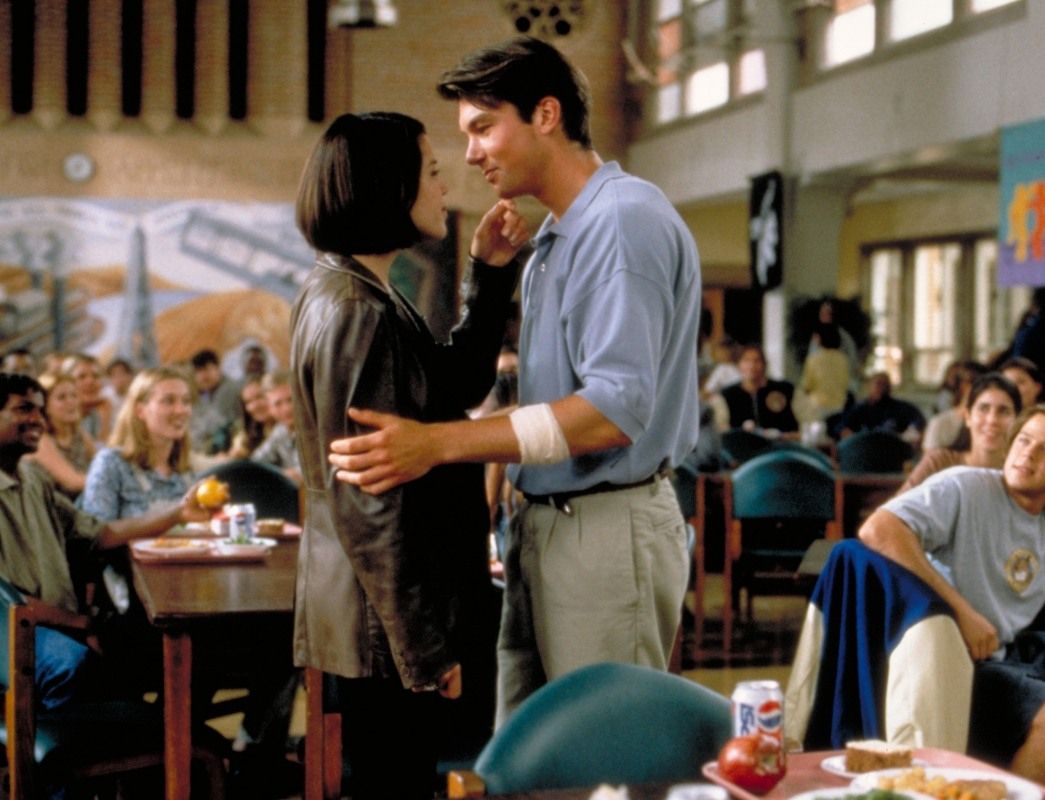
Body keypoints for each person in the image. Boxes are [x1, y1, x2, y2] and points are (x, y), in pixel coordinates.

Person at [327, 37, 701, 725]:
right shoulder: (554, 238)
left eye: (482, 127)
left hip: (603, 525)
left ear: (546, 115)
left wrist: (437, 444)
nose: (471, 153)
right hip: (542, 524)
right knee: (525, 756)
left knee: (600, 756)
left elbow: (613, 412)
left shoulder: (621, 221)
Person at [292, 111, 521, 798]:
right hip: (387, 625)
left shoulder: (359, 291)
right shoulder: (355, 308)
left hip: (382, 616)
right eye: (430, 171)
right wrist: (422, 650)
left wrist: (487, 274)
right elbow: (370, 499)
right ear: (386, 186)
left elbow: (454, 386)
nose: (444, 184)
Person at [0, 371, 209, 712]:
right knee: (78, 663)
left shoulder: (33, 479)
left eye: (40, 410)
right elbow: (8, 603)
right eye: (24, 409)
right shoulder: (108, 463)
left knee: (190, 648)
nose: (38, 419)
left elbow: (98, 532)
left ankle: (171, 739)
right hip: (15, 629)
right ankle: (67, 746)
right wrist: (82, 625)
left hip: (58, 619)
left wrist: (178, 513)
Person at [859, 405, 1045, 782]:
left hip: (1021, 656)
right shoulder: (965, 486)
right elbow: (878, 528)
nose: (1028, 454)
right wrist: (962, 610)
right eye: (1024, 441)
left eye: (1044, 449)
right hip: (963, 662)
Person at [897, 372, 1021, 494]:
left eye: (1004, 411)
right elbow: (896, 506)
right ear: (967, 417)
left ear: (1018, 420)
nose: (992, 420)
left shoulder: (1021, 472)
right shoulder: (939, 463)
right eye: (983, 409)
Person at [25, 371, 96, 499]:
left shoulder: (79, 434)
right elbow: (72, 482)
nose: (71, 402)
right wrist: (112, 480)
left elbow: (101, 466)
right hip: (53, 508)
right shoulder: (40, 440)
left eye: (74, 395)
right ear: (45, 407)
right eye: (61, 398)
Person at [717, 344, 799, 433]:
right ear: (738, 365)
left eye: (757, 361)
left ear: (764, 364)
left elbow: (805, 424)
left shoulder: (784, 389)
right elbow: (722, 429)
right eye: (746, 360)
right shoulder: (728, 394)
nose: (752, 366)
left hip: (782, 441)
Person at [838, 371, 926, 441]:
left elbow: (918, 423)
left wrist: (910, 435)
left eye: (885, 385)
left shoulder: (901, 408)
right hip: (864, 449)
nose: (882, 388)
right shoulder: (858, 409)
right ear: (869, 386)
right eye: (878, 384)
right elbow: (844, 429)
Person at [250, 369, 302, 486]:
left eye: (290, 400)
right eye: (278, 404)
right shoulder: (280, 430)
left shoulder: (314, 430)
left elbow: (300, 477)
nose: (287, 408)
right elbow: (255, 462)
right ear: (269, 408)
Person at [922, 360, 988, 450]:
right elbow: (930, 456)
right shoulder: (941, 424)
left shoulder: (990, 422)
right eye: (978, 384)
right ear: (964, 386)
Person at [189, 348, 241, 455]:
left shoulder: (229, 389)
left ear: (218, 369)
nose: (203, 376)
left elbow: (218, 425)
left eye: (207, 370)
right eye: (198, 371)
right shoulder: (204, 393)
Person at [799, 322, 851, 421]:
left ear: (819, 338)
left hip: (817, 407)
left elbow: (807, 386)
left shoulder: (814, 359)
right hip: (839, 406)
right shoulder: (843, 359)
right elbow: (845, 383)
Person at [62, 353, 113, 444]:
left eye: (96, 376)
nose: (90, 381)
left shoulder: (97, 412)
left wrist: (105, 418)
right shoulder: (59, 421)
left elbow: (104, 448)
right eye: (81, 377)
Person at [227, 375, 274, 458]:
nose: (255, 406)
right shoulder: (250, 430)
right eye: (248, 402)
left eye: (259, 397)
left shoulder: (285, 429)